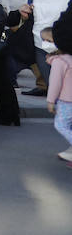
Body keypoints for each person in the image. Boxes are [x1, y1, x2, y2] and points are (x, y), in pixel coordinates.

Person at [44, 27, 72, 162]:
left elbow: (55, 83)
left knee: (61, 125)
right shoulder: (69, 58)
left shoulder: (59, 62)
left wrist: (50, 101)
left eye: (48, 40)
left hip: (67, 100)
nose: (45, 44)